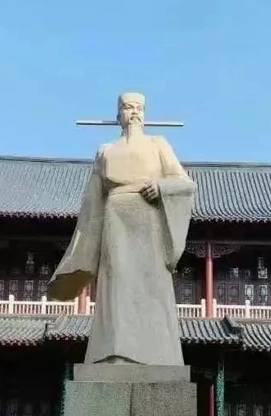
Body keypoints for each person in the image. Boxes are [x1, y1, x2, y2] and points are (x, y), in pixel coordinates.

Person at [48, 92, 197, 366]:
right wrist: (83, 251)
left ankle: (158, 356)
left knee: (151, 286)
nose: (134, 112)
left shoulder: (158, 145)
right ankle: (115, 353)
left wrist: (161, 187)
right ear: (119, 114)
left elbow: (186, 184)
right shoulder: (105, 151)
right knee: (117, 285)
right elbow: (92, 202)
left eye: (139, 108)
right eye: (128, 107)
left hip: (149, 219)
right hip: (115, 220)